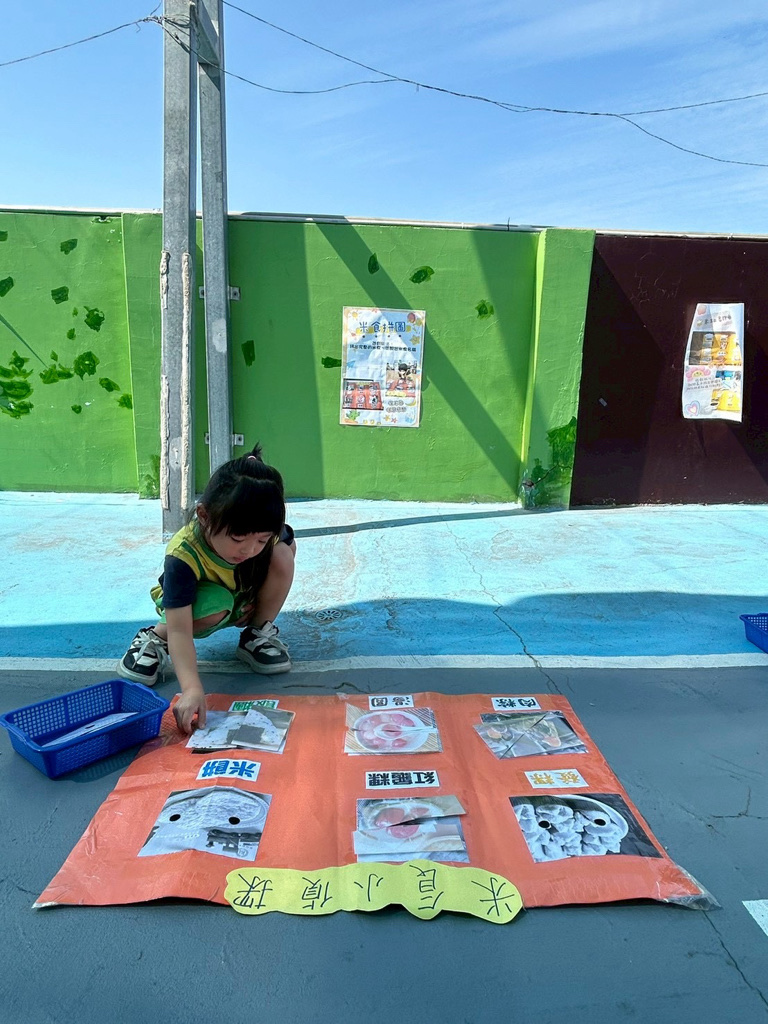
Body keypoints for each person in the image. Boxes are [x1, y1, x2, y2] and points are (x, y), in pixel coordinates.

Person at [118, 443, 296, 734]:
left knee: (283, 555)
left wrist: (258, 601)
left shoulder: (259, 535)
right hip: (193, 607)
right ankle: (155, 638)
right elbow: (181, 629)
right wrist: (191, 689)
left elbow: (287, 545)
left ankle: (256, 634)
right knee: (214, 606)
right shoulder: (183, 555)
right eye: (238, 538)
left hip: (236, 596)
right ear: (204, 515)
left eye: (261, 540)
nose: (250, 549)